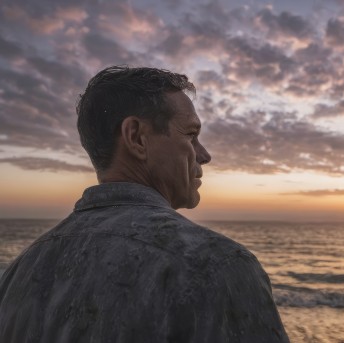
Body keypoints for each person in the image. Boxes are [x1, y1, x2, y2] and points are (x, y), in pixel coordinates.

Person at [0, 66, 290, 342]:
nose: (204, 155)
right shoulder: (216, 264)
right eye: (190, 135)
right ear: (136, 137)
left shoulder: (17, 274)